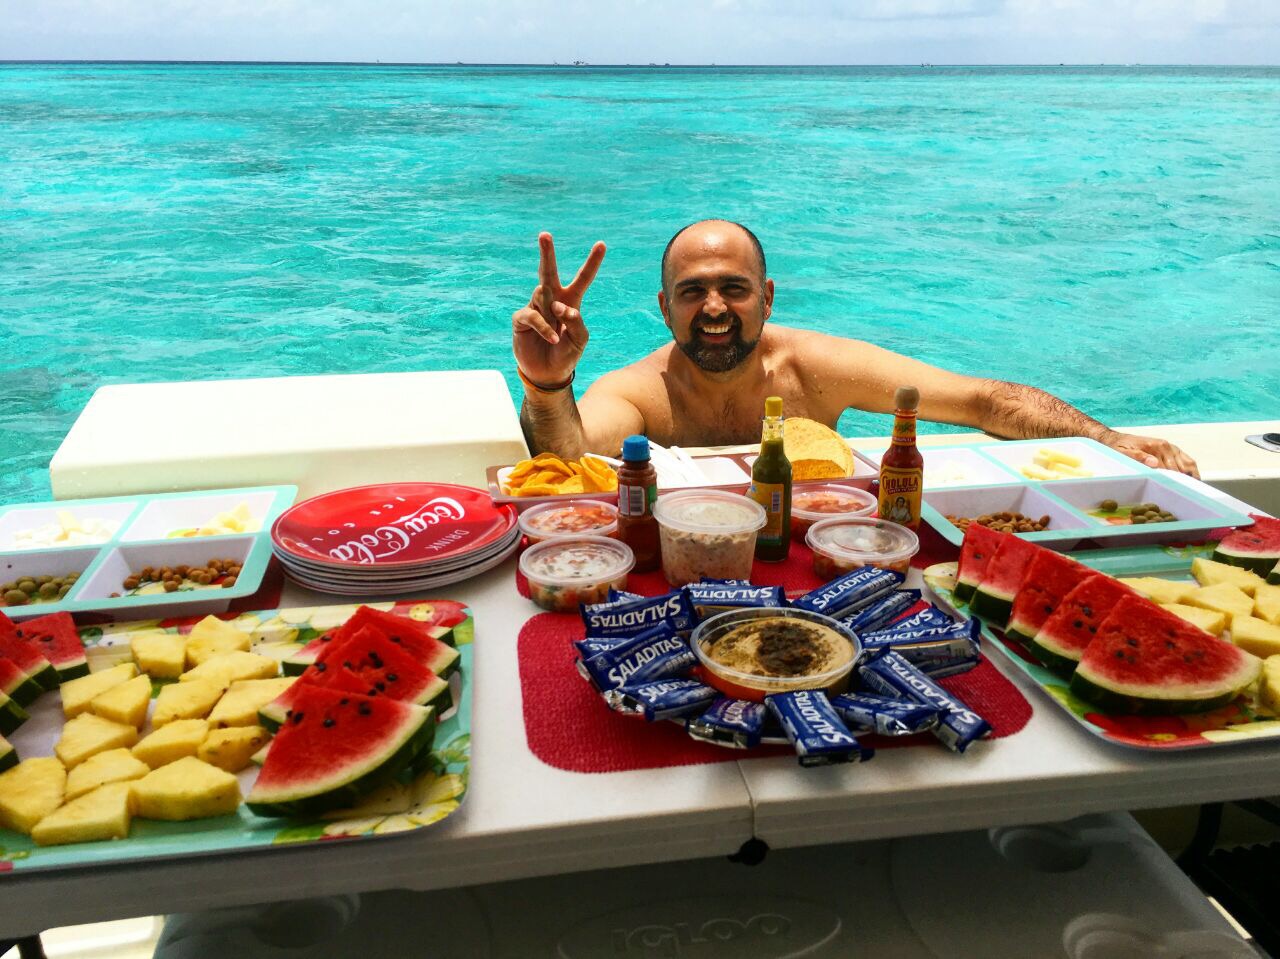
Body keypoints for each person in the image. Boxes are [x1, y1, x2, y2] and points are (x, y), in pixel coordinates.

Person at [511, 219, 1198, 477]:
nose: (714, 308)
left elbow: (982, 399)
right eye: (692, 292)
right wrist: (547, 384)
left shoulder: (816, 369)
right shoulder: (640, 390)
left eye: (734, 288)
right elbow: (571, 459)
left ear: (768, 297)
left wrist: (1105, 436)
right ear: (665, 308)